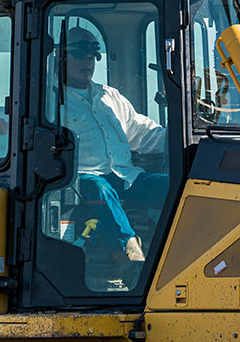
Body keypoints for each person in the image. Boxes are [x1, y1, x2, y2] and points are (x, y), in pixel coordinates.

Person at [59, 26, 168, 262]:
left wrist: (178, 142)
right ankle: (129, 251)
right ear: (62, 57)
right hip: (82, 179)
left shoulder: (109, 96)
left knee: (170, 185)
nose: (87, 62)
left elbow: (139, 130)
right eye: (79, 55)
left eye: (91, 57)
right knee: (100, 189)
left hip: (125, 176)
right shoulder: (51, 99)